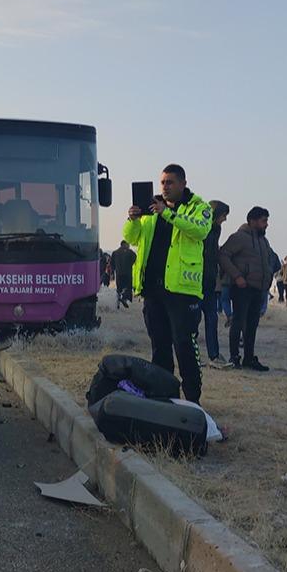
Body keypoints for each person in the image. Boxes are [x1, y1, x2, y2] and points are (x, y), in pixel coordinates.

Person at [124, 164, 212, 403]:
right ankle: (163, 397)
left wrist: (168, 213)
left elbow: (200, 231)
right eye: (162, 182)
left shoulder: (198, 207)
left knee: (184, 345)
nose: (165, 186)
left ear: (183, 183)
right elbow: (131, 238)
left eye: (170, 182)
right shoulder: (152, 211)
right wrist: (132, 219)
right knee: (159, 346)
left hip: (182, 291)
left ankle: (193, 400)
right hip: (153, 290)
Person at [218, 206, 276, 370]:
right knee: (238, 322)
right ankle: (234, 358)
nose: (266, 224)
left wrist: (269, 277)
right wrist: (237, 276)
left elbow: (268, 262)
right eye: (264, 221)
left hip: (259, 289)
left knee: (252, 325)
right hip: (243, 288)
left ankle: (249, 358)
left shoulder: (263, 241)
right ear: (252, 221)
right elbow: (223, 255)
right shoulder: (239, 237)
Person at [200, 200, 231, 367]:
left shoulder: (216, 230)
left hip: (210, 280)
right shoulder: (201, 229)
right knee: (193, 321)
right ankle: (194, 357)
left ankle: (214, 355)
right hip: (196, 281)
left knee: (212, 318)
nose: (225, 219)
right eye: (224, 216)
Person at [111, 241, 136, 308]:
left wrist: (112, 273)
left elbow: (112, 264)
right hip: (127, 273)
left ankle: (118, 303)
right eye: (128, 244)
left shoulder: (115, 252)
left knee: (119, 288)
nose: (129, 246)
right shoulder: (130, 252)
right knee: (128, 288)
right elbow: (135, 259)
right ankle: (124, 298)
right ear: (125, 244)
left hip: (119, 274)